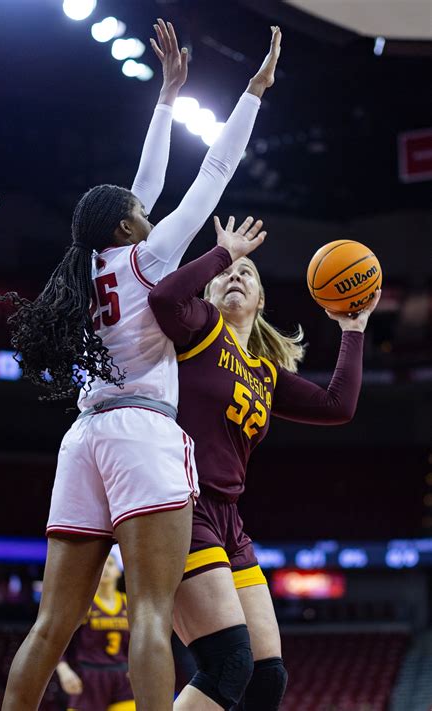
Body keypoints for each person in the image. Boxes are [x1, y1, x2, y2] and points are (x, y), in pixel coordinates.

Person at [0, 21, 283, 711]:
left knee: (52, 622)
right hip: (142, 435)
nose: (149, 210)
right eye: (138, 213)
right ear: (126, 227)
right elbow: (215, 171)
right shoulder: (150, 256)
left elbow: (146, 179)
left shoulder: (86, 266)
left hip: (83, 437)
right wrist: (254, 94)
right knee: (150, 612)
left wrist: (168, 98)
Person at [148, 216, 381, 710]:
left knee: (265, 677)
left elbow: (337, 406)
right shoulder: (200, 330)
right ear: (209, 294)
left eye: (247, 275)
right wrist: (222, 254)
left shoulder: (265, 373)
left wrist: (353, 328)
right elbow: (164, 299)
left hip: (229, 519)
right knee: (228, 663)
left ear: (260, 302)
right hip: (179, 505)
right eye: (227, 275)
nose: (236, 277)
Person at [56, 553, 135, 711]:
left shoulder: (129, 603)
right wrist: (63, 670)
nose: (105, 568)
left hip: (122, 675)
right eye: (102, 564)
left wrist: (137, 667)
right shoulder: (83, 603)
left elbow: (138, 642)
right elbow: (58, 641)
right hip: (89, 675)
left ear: (119, 571)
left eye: (110, 564)